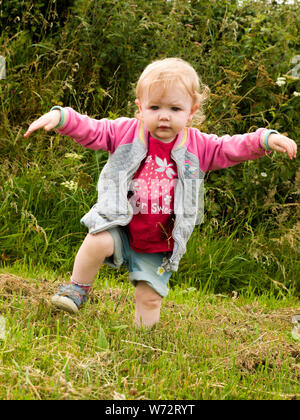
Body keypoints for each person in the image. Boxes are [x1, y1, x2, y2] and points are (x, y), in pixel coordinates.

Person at [24, 58, 297, 328]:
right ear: (140, 108)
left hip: (160, 241)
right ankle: (77, 289)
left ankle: (143, 339)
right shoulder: (126, 133)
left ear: (191, 111)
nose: (164, 115)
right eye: (154, 107)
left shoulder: (198, 145)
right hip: (120, 223)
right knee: (97, 241)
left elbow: (229, 147)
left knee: (150, 298)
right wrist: (61, 117)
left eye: (175, 108)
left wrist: (265, 139)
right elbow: (93, 128)